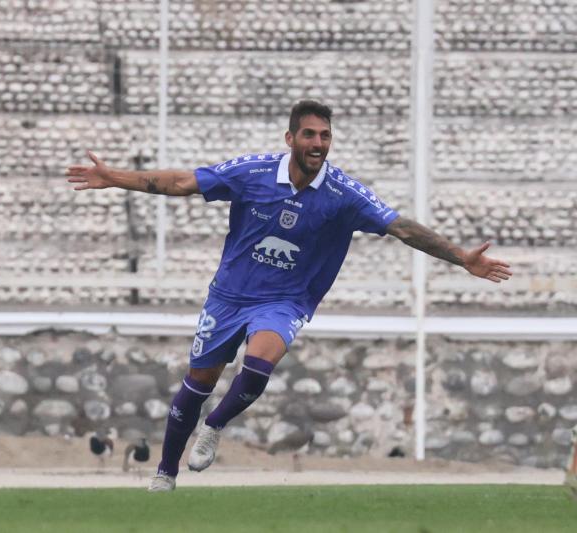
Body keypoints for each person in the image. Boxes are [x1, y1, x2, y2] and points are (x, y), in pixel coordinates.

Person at [66, 100, 513, 492]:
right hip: (228, 297)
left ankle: (215, 426)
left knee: (260, 361)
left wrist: (460, 257)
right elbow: (183, 182)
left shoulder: (343, 194)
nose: (318, 142)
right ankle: (164, 474)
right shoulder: (253, 173)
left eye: (325, 135)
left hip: (285, 301)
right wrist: (113, 178)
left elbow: (400, 227)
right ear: (291, 138)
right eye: (310, 134)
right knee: (196, 385)